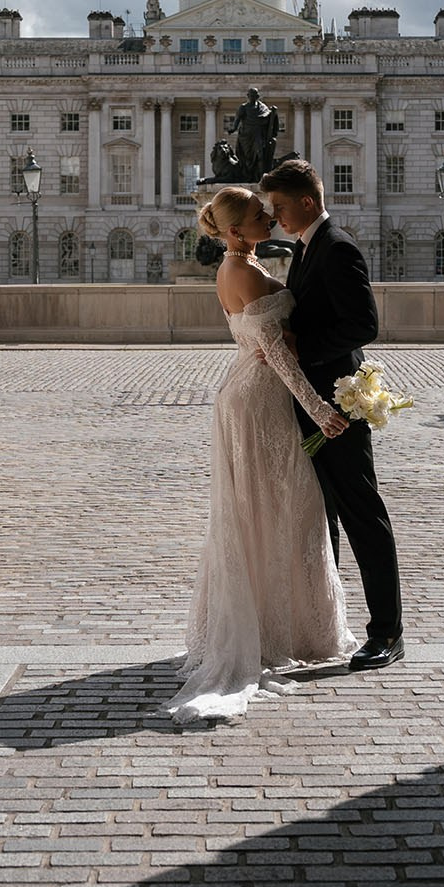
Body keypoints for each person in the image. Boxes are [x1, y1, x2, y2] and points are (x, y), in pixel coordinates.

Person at [163, 186, 359, 722]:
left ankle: (281, 624)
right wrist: (320, 409)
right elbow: (275, 352)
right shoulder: (244, 272)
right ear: (233, 231)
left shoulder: (237, 265)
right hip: (262, 401)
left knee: (264, 511)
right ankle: (280, 631)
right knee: (289, 509)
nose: (268, 216)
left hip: (247, 395)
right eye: (257, 214)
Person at [257, 157, 404, 670]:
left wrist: (301, 347)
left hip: (339, 404)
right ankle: (333, 623)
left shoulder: (337, 247)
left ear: (307, 201)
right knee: (324, 517)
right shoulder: (307, 246)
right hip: (314, 405)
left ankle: (387, 632)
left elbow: (363, 325)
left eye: (278, 207)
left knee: (363, 514)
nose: (274, 217)